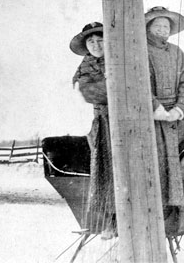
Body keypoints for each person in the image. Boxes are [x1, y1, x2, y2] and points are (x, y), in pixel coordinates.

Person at [145, 6, 184, 208]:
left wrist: (179, 108)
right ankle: (156, 208)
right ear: (148, 27)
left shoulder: (176, 52)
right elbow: (138, 83)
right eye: (157, 25)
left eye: (166, 26)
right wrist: (156, 108)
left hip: (176, 120)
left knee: (179, 162)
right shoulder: (138, 50)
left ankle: (174, 208)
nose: (162, 29)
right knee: (156, 164)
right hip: (152, 119)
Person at [70, 22, 115, 235]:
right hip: (105, 122)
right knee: (105, 168)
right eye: (91, 41)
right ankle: (110, 219)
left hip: (133, 117)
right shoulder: (85, 66)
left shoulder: (120, 59)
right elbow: (86, 91)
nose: (96, 45)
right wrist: (113, 86)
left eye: (100, 40)